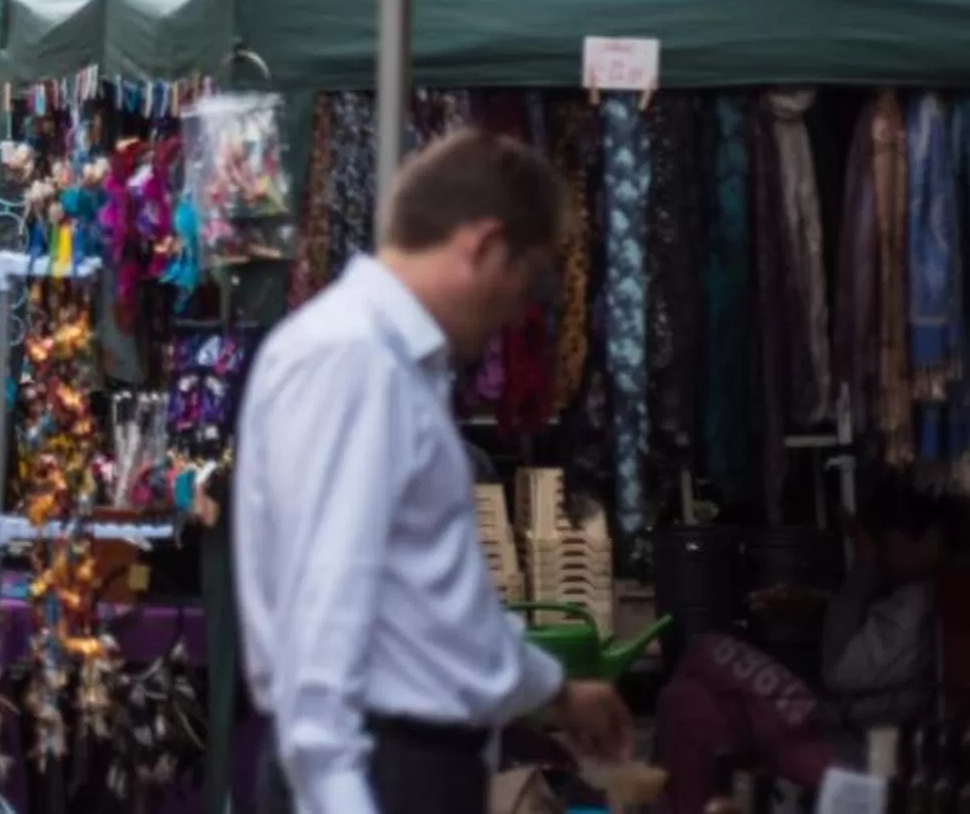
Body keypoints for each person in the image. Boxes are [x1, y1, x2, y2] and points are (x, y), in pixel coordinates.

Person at [236, 130, 632, 814]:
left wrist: (556, 692)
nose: (520, 310)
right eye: (529, 276)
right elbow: (323, 610)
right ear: (481, 245)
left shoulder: (384, 361)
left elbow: (425, 606)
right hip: (376, 773)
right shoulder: (355, 360)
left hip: (395, 766)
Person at [654, 483, 949, 814]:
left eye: (888, 544)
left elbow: (841, 673)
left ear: (930, 539)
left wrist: (864, 568)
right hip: (839, 731)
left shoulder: (917, 603)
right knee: (684, 699)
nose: (883, 555)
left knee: (706, 656)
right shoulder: (908, 595)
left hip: (858, 749)